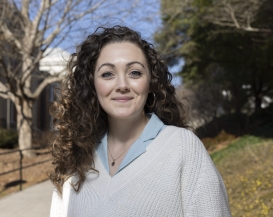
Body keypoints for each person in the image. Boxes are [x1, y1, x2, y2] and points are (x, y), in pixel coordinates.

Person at [49, 25, 231, 217]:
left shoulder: (183, 148)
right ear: (92, 86)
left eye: (134, 72)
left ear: (151, 82)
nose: (122, 85)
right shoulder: (76, 161)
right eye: (107, 74)